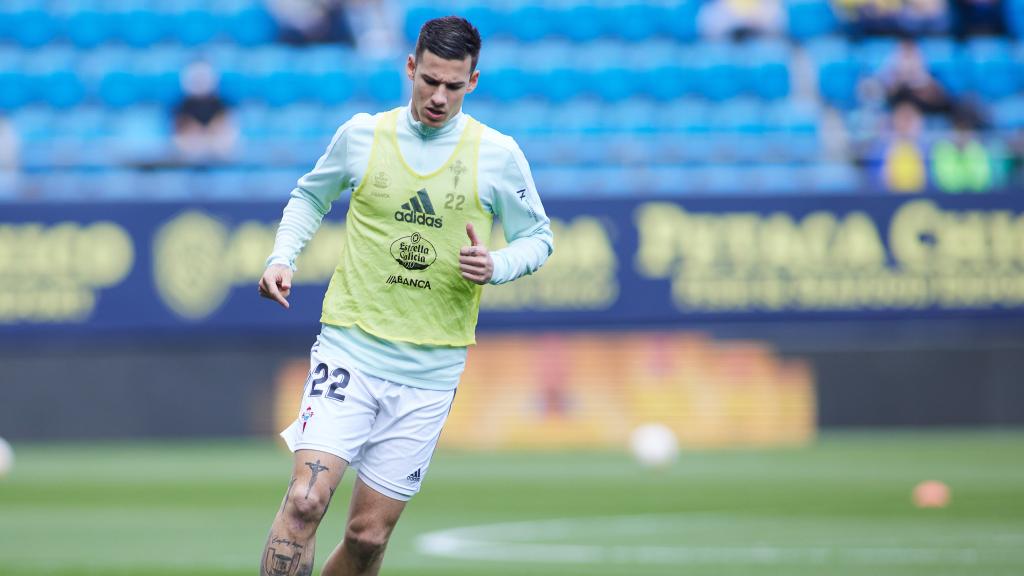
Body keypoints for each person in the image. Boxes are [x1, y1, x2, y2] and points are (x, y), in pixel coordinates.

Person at [256, 16, 553, 576]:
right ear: (411, 68)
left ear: (474, 82)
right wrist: (281, 257)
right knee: (305, 500)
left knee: (367, 537)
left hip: (430, 370)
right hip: (351, 348)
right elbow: (308, 196)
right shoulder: (364, 135)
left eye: (454, 85)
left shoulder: (497, 154)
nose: (439, 97)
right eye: (430, 81)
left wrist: (498, 264)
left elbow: (538, 237)